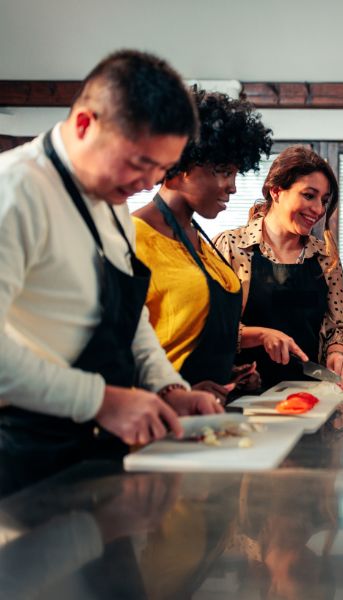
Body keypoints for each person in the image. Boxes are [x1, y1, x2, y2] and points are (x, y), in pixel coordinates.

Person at [0, 50, 221, 495]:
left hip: (100, 450)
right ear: (85, 123)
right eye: (139, 163)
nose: (146, 183)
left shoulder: (113, 199)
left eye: (161, 169)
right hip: (28, 456)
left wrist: (167, 388)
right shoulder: (17, 191)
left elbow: (127, 316)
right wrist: (100, 400)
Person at [132, 89, 273, 403]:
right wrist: (175, 393)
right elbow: (117, 347)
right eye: (224, 171)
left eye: (235, 173)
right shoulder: (133, 238)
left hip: (204, 418)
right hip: (158, 422)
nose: (233, 187)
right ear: (182, 164)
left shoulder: (201, 241)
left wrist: (227, 374)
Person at [215, 145, 343, 391]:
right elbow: (214, 328)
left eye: (324, 200)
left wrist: (338, 353)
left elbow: (341, 326)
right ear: (276, 191)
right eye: (309, 195)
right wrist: (261, 334)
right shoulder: (232, 247)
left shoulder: (325, 256)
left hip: (311, 394)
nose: (318, 209)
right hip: (245, 394)